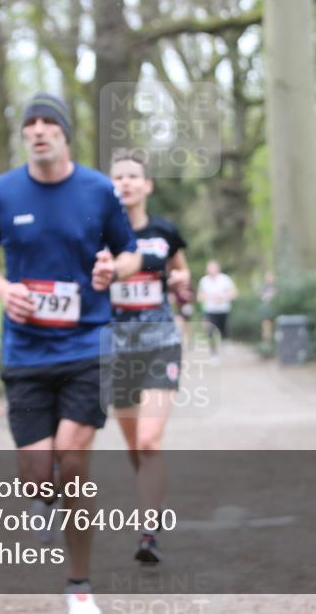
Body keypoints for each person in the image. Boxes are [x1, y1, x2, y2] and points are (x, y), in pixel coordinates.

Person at [0, 93, 140, 614]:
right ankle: (43, 499)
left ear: (65, 134)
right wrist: (3, 290)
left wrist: (116, 271)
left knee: (72, 460)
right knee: (36, 470)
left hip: (87, 342)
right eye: (30, 124)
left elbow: (130, 252)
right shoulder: (0, 193)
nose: (39, 131)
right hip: (25, 350)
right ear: (23, 134)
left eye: (49, 123)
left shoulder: (97, 190)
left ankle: (79, 583)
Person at [108, 149, 189, 564]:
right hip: (116, 347)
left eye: (133, 176)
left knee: (148, 441)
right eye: (118, 176)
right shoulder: (100, 233)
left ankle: (148, 532)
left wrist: (180, 282)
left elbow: (182, 273)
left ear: (147, 184)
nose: (125, 183)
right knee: (133, 446)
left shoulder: (164, 231)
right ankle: (150, 497)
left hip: (160, 341)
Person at [197, 260, 237, 360]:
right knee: (211, 331)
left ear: (218, 268)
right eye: (210, 268)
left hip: (223, 310)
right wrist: (208, 297)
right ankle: (213, 354)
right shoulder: (204, 280)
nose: (212, 270)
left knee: (224, 330)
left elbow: (234, 292)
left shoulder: (225, 279)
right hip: (210, 310)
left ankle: (225, 342)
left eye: (214, 268)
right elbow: (199, 296)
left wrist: (223, 297)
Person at [259, 271, 277, 344]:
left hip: (274, 308)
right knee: (266, 325)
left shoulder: (276, 286)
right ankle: (267, 341)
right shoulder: (264, 286)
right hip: (267, 309)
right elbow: (261, 296)